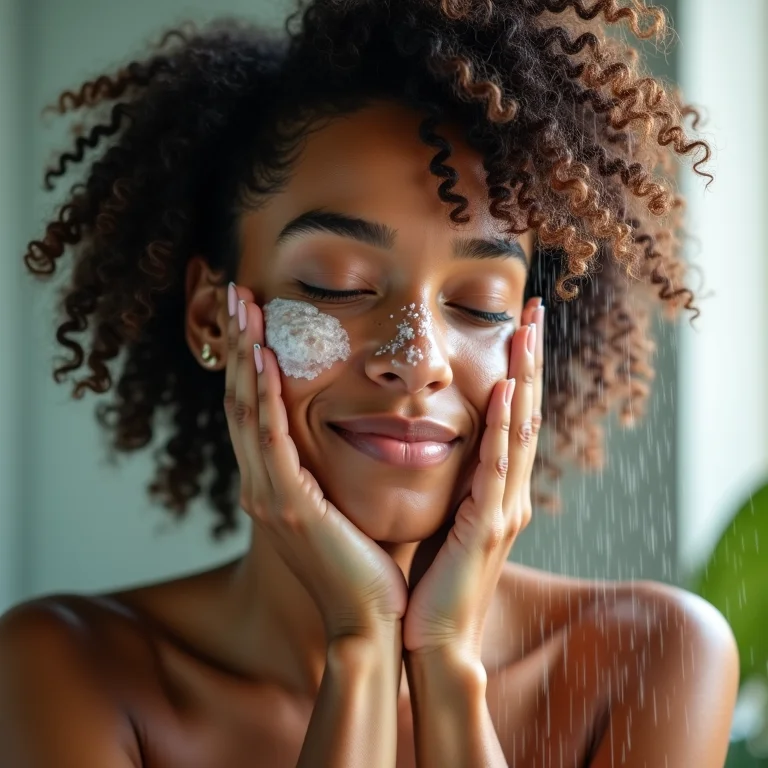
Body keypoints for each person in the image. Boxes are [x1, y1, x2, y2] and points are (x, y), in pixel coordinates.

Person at [0, 1, 739, 766]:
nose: (416, 357)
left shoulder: (651, 657)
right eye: (335, 285)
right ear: (210, 320)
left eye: (480, 304)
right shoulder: (72, 668)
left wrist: (446, 661)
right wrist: (360, 648)